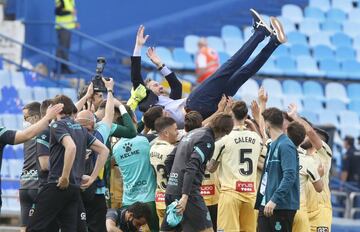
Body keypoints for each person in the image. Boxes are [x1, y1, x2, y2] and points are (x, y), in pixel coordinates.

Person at [131, 9, 286, 126]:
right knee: (229, 66)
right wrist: (138, 47)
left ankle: (274, 42)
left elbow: (176, 85)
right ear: (145, 92)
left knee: (244, 73)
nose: (158, 85)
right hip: (195, 103)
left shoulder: (168, 102)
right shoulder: (149, 105)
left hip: (203, 111)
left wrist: (160, 65)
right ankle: (259, 33)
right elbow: (136, 77)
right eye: (153, 85)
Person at [26, 95, 109, 232]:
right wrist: (93, 177)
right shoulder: (81, 128)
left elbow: (71, 147)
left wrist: (64, 176)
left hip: (57, 185)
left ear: (57, 109)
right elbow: (104, 150)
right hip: (74, 189)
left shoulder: (57, 125)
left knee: (34, 227)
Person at [161, 113, 233, 232]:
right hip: (189, 195)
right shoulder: (206, 139)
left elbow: (169, 160)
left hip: (171, 191)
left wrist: (174, 182)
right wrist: (184, 196)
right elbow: (192, 166)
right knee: (207, 230)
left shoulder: (191, 134)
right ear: (224, 131)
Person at [207, 101, 263, 232]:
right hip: (250, 195)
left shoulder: (224, 140)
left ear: (231, 114)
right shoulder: (256, 138)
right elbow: (265, 157)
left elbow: (211, 168)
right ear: (246, 116)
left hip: (230, 194)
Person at [0, 103, 63, 212]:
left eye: (25, 118)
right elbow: (25, 135)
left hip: (27, 186)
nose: (24, 121)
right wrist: (48, 117)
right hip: (34, 186)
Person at [112, 106, 159, 232]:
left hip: (129, 202)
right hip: (149, 199)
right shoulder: (146, 140)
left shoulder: (115, 148)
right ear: (133, 118)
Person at [287, 104, 333, 232]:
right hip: (303, 209)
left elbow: (310, 132)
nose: (303, 136)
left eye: (305, 134)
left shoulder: (324, 154)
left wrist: (294, 117)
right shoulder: (299, 156)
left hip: (321, 211)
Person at [255, 107, 299, 232]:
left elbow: (290, 176)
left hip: (280, 205)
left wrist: (274, 199)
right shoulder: (273, 144)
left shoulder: (286, 145)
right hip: (266, 203)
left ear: (268, 124)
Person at [286, 121, 325, 232]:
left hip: (279, 207)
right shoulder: (308, 161)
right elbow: (319, 188)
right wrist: (320, 176)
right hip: (299, 209)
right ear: (302, 139)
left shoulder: (278, 155)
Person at [149, 116, 178, 226]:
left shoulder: (152, 149)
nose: (177, 133)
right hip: (172, 200)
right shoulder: (172, 150)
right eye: (175, 129)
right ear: (166, 132)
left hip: (159, 198)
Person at [19, 102, 42, 231]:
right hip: (37, 186)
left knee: (24, 228)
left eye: (26, 117)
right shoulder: (47, 133)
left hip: (24, 185)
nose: (24, 121)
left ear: (37, 117)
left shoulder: (25, 135)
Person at [55, 0, 78, 74]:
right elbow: (57, 12)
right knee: (62, 48)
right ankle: (60, 68)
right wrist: (70, 12)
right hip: (62, 27)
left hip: (69, 27)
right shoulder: (62, 0)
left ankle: (64, 68)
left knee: (66, 48)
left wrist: (75, 22)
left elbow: (73, 12)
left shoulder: (71, 1)